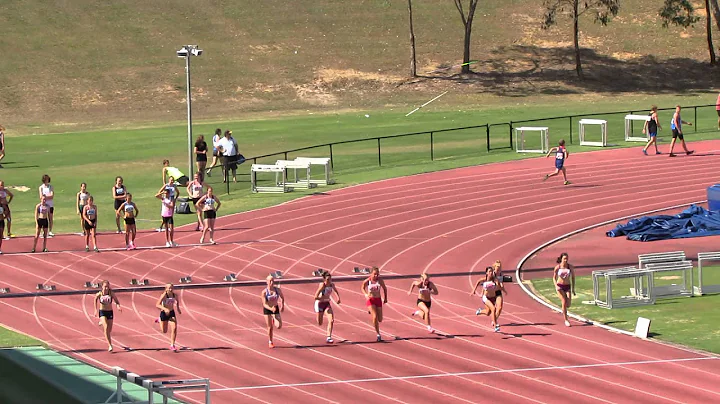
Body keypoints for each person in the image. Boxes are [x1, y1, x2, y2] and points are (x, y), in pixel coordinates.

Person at [471, 266, 503, 332]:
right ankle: (496, 325)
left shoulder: (494, 279)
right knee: (493, 309)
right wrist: (474, 290)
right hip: (486, 298)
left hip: (493, 298)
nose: (491, 273)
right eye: (489, 271)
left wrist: (498, 285)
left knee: (488, 312)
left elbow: (499, 286)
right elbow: (478, 282)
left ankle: (480, 311)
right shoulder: (484, 279)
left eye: (491, 271)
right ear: (486, 273)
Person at [361, 267, 388, 342]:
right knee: (375, 317)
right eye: (374, 274)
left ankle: (371, 311)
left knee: (380, 319)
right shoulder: (367, 281)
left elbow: (385, 288)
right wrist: (366, 294)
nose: (376, 276)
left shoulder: (380, 280)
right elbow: (362, 287)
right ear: (371, 273)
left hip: (378, 300)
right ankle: (378, 334)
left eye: (377, 274)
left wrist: (385, 298)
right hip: (371, 300)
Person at [314, 271, 341, 343]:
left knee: (331, 320)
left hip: (326, 304)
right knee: (320, 323)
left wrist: (338, 298)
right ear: (324, 280)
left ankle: (329, 337)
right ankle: (318, 315)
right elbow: (315, 297)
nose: (329, 281)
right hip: (319, 304)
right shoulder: (322, 285)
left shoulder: (332, 285)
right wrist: (322, 298)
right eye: (328, 279)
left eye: (330, 279)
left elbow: (336, 291)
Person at [95, 280, 122, 352]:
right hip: (102, 312)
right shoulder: (99, 294)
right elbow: (95, 299)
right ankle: (110, 345)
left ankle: (102, 323)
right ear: (102, 287)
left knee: (109, 331)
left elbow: (117, 301)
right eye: (105, 287)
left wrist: (118, 306)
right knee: (106, 327)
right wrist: (95, 310)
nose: (106, 288)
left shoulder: (111, 293)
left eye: (107, 286)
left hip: (110, 312)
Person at [154, 284, 182, 352]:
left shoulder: (175, 295)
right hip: (164, 313)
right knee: (164, 331)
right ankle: (160, 319)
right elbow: (157, 304)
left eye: (172, 288)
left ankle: (172, 345)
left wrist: (178, 308)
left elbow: (177, 301)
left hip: (171, 313)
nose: (170, 289)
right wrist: (165, 309)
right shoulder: (164, 295)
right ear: (166, 289)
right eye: (169, 288)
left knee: (174, 328)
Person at [261, 275, 285, 348]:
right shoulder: (264, 292)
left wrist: (282, 305)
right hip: (268, 309)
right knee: (270, 327)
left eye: (273, 281)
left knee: (279, 326)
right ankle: (270, 341)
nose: (272, 282)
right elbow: (264, 304)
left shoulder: (277, 290)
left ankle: (274, 319)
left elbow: (282, 297)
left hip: (275, 308)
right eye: (270, 281)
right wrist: (271, 309)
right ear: (267, 282)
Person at [553, 252, 576, 327]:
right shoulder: (558, 267)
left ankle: (564, 309)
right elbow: (554, 277)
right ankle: (566, 320)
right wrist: (556, 285)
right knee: (563, 301)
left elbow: (573, 278)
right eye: (564, 259)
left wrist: (573, 289)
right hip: (560, 286)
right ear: (561, 259)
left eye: (567, 258)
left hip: (567, 286)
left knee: (568, 304)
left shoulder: (570, 267)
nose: (566, 260)